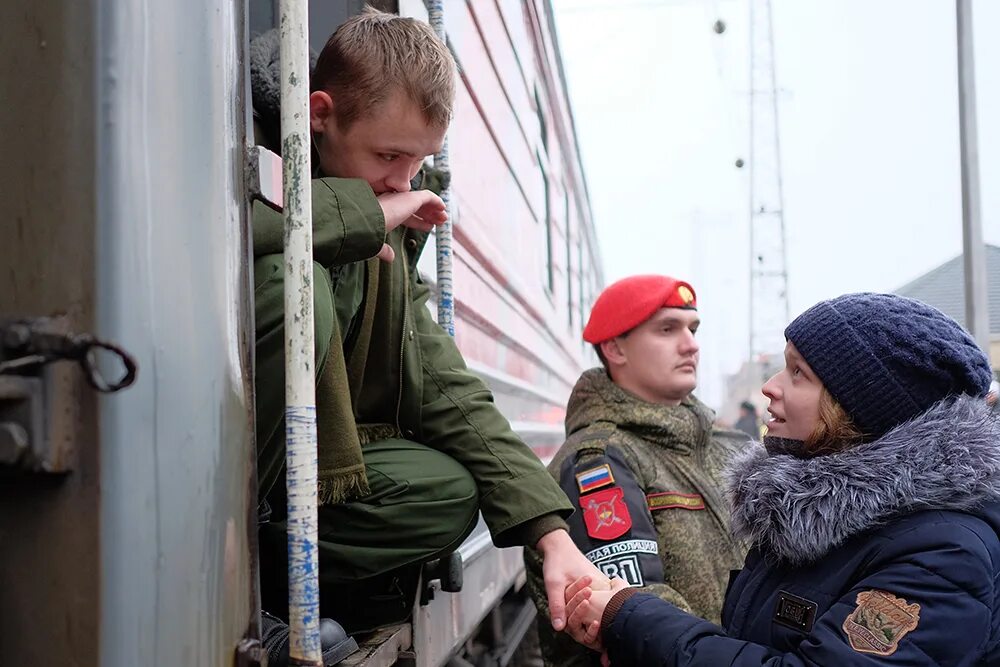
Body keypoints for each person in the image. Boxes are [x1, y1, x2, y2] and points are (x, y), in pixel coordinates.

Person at [248, 9, 603, 664]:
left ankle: (283, 578)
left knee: (446, 493)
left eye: (417, 162)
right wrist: (366, 215)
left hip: (305, 479)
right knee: (290, 287)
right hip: (228, 466)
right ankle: (239, 582)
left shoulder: (380, 204)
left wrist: (551, 533)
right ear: (319, 114)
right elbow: (237, 221)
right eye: (388, 156)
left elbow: (445, 382)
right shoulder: (250, 135)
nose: (403, 181)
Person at [564, 292, 1000, 665]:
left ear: (858, 408)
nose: (770, 387)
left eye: (799, 373)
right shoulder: (813, 508)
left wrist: (632, 619)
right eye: (665, 330)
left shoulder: (943, 552)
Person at [524, 275, 746, 666]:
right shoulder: (599, 459)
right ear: (614, 349)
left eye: (692, 329)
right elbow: (635, 612)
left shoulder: (726, 447)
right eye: (666, 329)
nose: (691, 344)